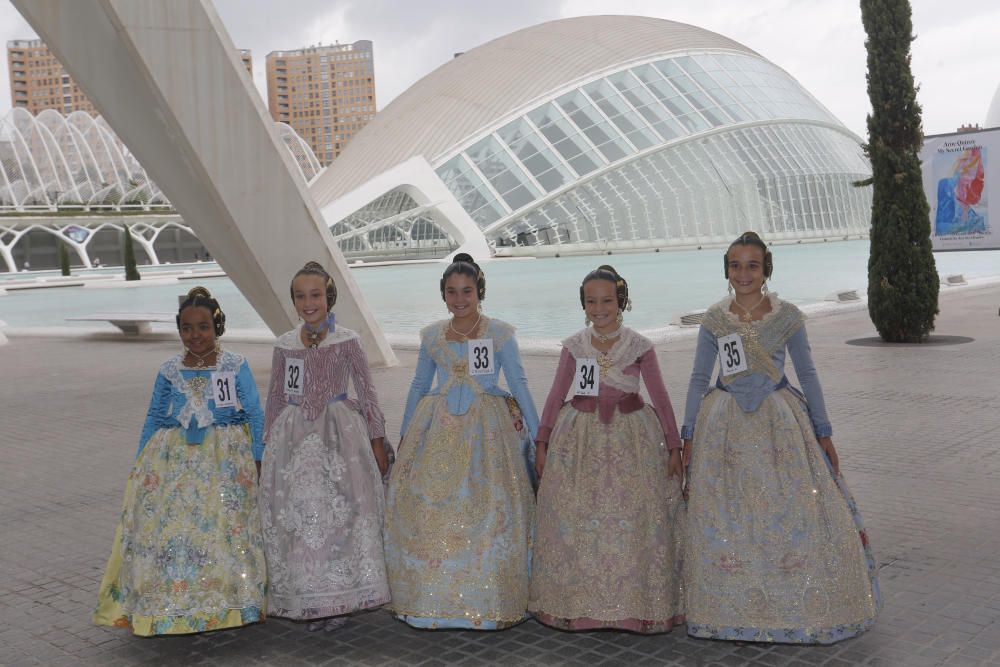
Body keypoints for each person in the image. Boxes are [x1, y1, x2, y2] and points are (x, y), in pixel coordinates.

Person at [681, 231, 880, 644]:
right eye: (735, 265)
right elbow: (700, 377)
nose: (744, 273)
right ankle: (729, 606)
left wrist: (823, 430)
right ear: (726, 270)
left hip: (780, 423)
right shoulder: (715, 319)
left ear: (766, 269)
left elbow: (807, 373)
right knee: (729, 516)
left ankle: (793, 604)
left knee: (789, 511)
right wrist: (688, 433)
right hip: (724, 427)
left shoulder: (787, 316)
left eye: (752, 265)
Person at [93, 286, 267, 636]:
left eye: (203, 326)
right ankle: (170, 606)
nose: (195, 335)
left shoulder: (234, 365)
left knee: (224, 530)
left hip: (224, 462)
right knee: (172, 532)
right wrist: (140, 463)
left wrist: (259, 459)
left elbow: (254, 414)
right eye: (187, 328)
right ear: (179, 330)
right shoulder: (170, 369)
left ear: (216, 326)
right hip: (172, 465)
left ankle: (229, 602)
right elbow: (155, 417)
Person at [384, 252, 538, 630]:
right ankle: (431, 598)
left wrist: (540, 433)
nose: (459, 299)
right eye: (452, 292)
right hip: (436, 427)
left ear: (479, 291)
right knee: (431, 505)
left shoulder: (500, 333)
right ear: (444, 295)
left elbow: (519, 384)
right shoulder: (432, 335)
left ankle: (486, 597)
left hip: (487, 431)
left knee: (487, 508)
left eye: (466, 291)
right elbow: (420, 384)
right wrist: (405, 434)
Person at [529, 266, 685, 633]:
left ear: (621, 302)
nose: (599, 308)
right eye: (591, 301)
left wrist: (674, 444)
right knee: (580, 518)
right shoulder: (573, 346)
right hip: (580, 441)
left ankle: (634, 605)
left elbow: (660, 396)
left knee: (633, 519)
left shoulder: (640, 346)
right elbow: (555, 394)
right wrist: (542, 440)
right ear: (583, 304)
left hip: (632, 439)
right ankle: (579, 604)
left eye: (607, 301)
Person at [260, 261, 390, 631]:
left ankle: (340, 597)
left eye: (315, 294)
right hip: (293, 437)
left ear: (329, 297)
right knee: (300, 516)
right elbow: (274, 396)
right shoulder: (285, 344)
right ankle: (307, 594)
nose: (308, 302)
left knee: (342, 513)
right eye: (300, 296)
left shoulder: (347, 340)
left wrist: (378, 440)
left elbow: (368, 393)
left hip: (339, 435)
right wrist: (266, 444)